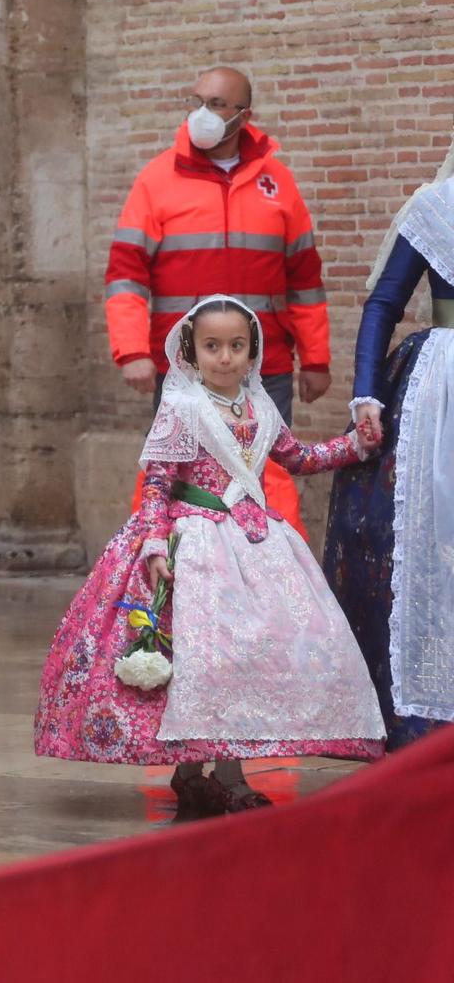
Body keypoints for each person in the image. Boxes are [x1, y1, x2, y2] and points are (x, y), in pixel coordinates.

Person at [35, 298, 383, 814]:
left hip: (258, 545)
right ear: (192, 352)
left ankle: (229, 775)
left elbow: (297, 457)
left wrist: (354, 446)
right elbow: (157, 482)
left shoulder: (261, 407)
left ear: (252, 351)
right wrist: (154, 543)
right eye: (213, 346)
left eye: (236, 346)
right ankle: (192, 773)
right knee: (202, 659)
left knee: (243, 660)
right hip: (194, 546)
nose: (225, 357)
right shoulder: (183, 408)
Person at [104, 66, 330, 533]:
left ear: (244, 116)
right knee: (179, 477)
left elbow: (304, 277)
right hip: (185, 368)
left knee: (267, 475)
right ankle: (173, 582)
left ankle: (276, 587)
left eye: (214, 104)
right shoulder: (156, 180)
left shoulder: (278, 183)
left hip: (263, 369)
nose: (200, 114)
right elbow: (126, 274)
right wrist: (131, 351)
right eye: (196, 101)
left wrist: (316, 359)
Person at [325, 146, 454, 748]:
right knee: (427, 538)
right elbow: (384, 303)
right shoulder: (434, 208)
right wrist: (366, 394)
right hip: (440, 391)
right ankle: (423, 707)